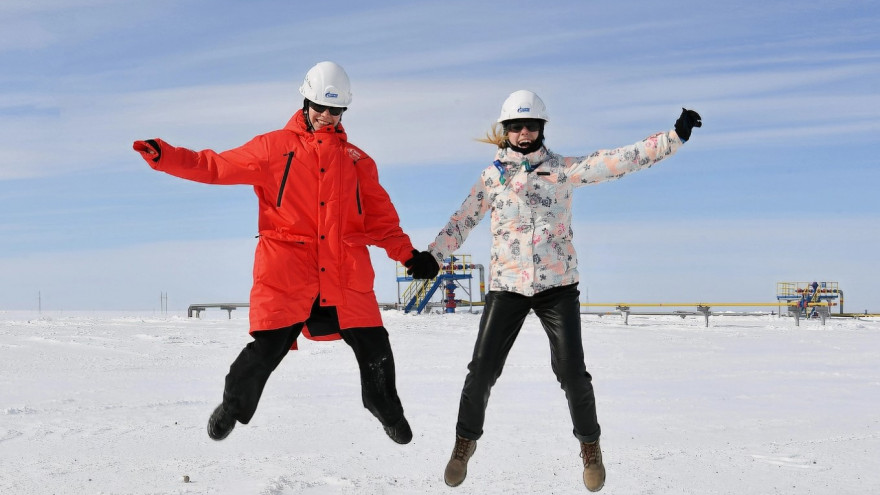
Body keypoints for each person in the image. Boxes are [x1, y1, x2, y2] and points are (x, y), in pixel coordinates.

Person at [133, 61, 437, 445]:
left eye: (336, 110)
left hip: (345, 273)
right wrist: (166, 156)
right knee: (266, 350)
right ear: (306, 100)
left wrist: (408, 255)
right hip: (289, 273)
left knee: (375, 344)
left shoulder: (359, 161)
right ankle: (233, 406)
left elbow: (381, 222)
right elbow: (214, 166)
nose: (327, 117)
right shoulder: (273, 148)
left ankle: (387, 411)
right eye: (321, 107)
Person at [414, 90, 701, 491]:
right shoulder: (491, 178)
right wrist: (434, 257)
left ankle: (590, 447)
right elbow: (462, 221)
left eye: (531, 125)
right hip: (508, 287)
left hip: (557, 287)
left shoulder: (563, 170)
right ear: (506, 130)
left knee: (572, 373)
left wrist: (673, 138)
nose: (524, 132)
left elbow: (616, 161)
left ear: (542, 128)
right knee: (481, 371)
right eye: (516, 126)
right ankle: (464, 443)